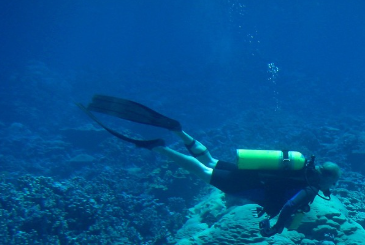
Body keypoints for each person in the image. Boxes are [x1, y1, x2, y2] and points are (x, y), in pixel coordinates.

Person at [78, 95, 341, 237]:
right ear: (327, 179)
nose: (332, 187)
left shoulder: (302, 167)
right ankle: (159, 146)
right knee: (204, 172)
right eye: (333, 182)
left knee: (211, 160)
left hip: (250, 173)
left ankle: (180, 133)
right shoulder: (308, 189)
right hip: (249, 184)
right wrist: (276, 228)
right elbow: (289, 206)